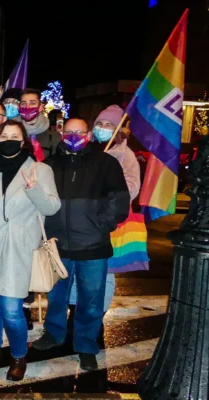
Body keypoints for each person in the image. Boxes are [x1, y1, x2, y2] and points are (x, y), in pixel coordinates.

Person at [32, 118, 129, 372]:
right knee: (56, 296)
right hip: (57, 245)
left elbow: (119, 199)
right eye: (69, 132)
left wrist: (102, 225)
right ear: (61, 133)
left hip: (92, 246)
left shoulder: (105, 163)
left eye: (79, 132)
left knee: (91, 300)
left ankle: (86, 346)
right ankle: (54, 334)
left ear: (88, 134)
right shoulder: (50, 165)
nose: (74, 136)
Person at [0, 120, 61, 381]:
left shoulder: (39, 169)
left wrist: (34, 191)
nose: (9, 140)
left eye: (15, 136)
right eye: (5, 136)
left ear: (23, 141)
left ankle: (18, 356)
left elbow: (52, 208)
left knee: (11, 308)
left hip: (19, 247)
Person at [69, 105, 143, 312]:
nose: (103, 128)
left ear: (117, 130)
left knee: (106, 273)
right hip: (82, 221)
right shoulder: (87, 151)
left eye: (109, 125)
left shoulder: (124, 156)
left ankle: (97, 315)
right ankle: (75, 312)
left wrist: (102, 193)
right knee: (77, 269)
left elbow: (131, 188)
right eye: (99, 124)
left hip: (110, 224)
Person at [19, 88, 61, 160]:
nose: (27, 107)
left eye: (32, 103)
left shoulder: (54, 136)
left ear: (40, 107)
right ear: (18, 107)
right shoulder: (11, 133)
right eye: (23, 103)